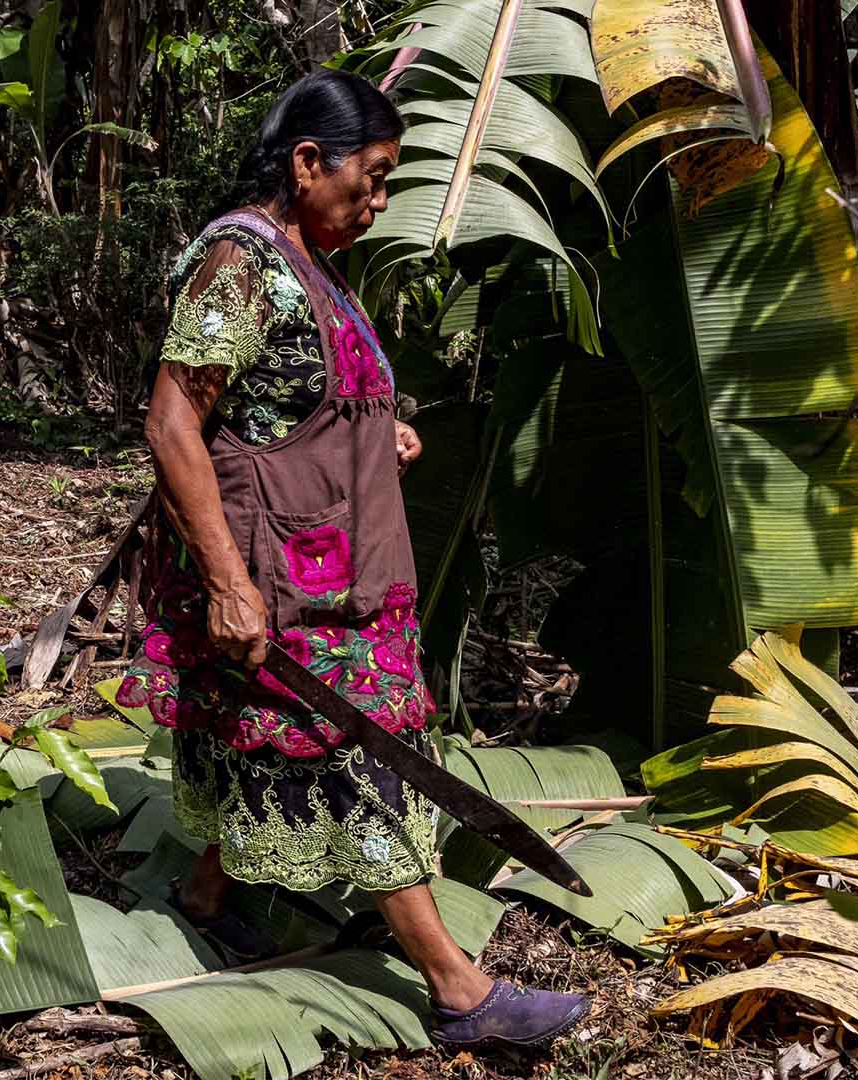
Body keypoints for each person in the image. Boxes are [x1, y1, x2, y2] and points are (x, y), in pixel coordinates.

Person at [115, 70, 588, 1047]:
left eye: (386, 185)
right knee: (356, 753)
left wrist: (381, 435)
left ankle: (211, 902)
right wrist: (226, 581)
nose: (376, 205)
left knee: (262, 738)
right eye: (367, 181)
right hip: (281, 583)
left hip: (336, 573)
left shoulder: (311, 262)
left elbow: (286, 402)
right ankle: (459, 991)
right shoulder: (238, 262)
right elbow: (173, 424)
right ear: (304, 163)